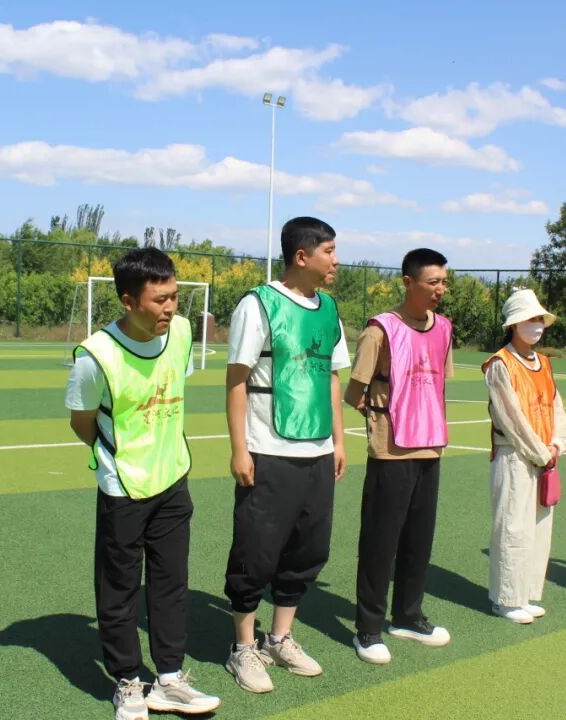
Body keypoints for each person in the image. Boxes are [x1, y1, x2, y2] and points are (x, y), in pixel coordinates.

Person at [66, 248, 220, 720]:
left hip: (173, 479)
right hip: (124, 487)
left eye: (173, 296)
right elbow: (81, 422)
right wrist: (118, 459)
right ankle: (128, 682)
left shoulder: (183, 333)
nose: (170, 307)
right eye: (159, 300)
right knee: (119, 588)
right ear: (129, 301)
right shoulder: (96, 356)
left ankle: (169, 678)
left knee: (171, 583)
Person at [223, 216, 350, 693]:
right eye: (329, 251)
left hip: (317, 451)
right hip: (267, 450)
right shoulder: (258, 304)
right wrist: (240, 448)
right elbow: (236, 380)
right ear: (302, 256)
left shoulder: (329, 307)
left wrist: (339, 441)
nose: (336, 261)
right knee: (256, 552)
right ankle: (243, 647)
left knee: (307, 550)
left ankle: (280, 638)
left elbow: (332, 377)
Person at [343, 248, 455, 664]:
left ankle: (408, 616)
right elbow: (353, 391)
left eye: (444, 282)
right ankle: (369, 628)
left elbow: (440, 382)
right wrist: (375, 412)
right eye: (433, 282)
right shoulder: (381, 330)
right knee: (380, 542)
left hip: (431, 446)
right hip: (390, 451)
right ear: (408, 282)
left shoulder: (444, 328)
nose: (440, 290)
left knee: (418, 540)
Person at [481, 288, 566, 624]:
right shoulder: (499, 365)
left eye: (539, 319)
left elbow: (556, 406)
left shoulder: (544, 363)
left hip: (544, 455)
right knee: (513, 527)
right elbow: (511, 418)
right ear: (513, 325)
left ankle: (526, 593)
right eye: (529, 319)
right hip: (514, 455)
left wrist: (557, 444)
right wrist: (540, 452)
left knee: (538, 528)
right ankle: (505, 599)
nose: (537, 325)